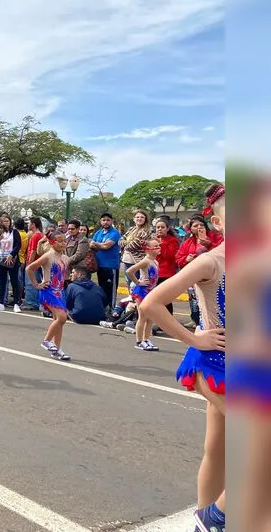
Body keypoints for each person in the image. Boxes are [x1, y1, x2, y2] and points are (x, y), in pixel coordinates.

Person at [139, 183, 226, 532]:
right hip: (213, 365)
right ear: (218, 224)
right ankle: (215, 517)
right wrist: (195, 338)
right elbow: (151, 304)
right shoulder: (210, 261)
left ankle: (206, 523)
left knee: (217, 450)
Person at [26, 231, 71, 361]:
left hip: (59, 292)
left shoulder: (66, 259)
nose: (63, 243)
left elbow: (62, 275)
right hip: (49, 291)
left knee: (59, 322)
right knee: (62, 318)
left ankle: (57, 349)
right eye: (59, 241)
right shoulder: (48, 256)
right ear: (52, 242)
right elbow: (30, 268)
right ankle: (46, 341)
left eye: (64, 240)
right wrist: (36, 284)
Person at [126, 238, 161, 351]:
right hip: (142, 292)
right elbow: (129, 271)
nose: (158, 248)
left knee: (150, 318)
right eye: (155, 246)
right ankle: (139, 341)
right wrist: (138, 282)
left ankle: (146, 339)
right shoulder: (145, 261)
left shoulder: (155, 261)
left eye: (158, 246)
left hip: (150, 292)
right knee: (143, 317)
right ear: (148, 249)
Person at [90, 213, 122, 311]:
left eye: (108, 220)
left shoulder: (115, 233)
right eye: (103, 220)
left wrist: (96, 244)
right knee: (102, 289)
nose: (106, 222)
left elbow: (106, 246)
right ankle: (103, 309)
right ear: (101, 221)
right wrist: (99, 244)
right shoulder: (98, 233)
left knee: (110, 291)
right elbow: (91, 246)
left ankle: (111, 310)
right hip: (99, 265)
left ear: (111, 221)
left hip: (110, 267)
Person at [0, 214, 22, 313]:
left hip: (12, 260)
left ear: (10, 222)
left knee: (14, 281)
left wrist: (11, 254)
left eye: (7, 221)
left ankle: (16, 303)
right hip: (2, 259)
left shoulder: (14, 232)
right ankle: (1, 302)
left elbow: (18, 245)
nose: (6, 223)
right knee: (2, 282)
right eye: (4, 221)